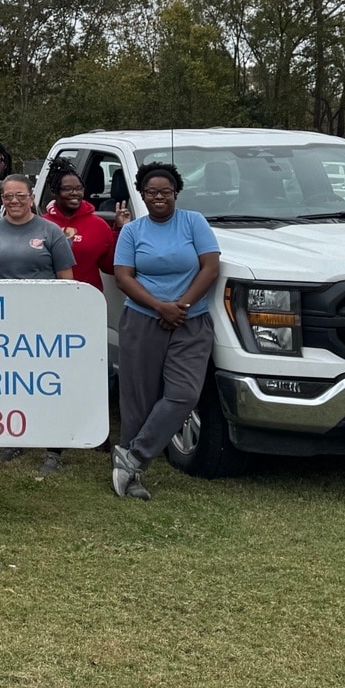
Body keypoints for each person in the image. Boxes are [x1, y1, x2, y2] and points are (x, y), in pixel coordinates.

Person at [110, 161, 221, 502]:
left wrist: (181, 306)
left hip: (191, 321)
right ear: (142, 195)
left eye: (166, 192)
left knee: (184, 394)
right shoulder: (133, 231)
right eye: (152, 192)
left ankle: (133, 456)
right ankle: (134, 477)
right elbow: (123, 275)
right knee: (138, 400)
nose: (159, 198)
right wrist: (161, 307)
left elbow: (210, 266)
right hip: (143, 320)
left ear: (176, 193)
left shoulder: (193, 222)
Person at [0, 173, 77, 472]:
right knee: (11, 383)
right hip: (2, 324)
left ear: (32, 198)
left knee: (48, 382)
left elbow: (67, 281)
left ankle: (54, 449)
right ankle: (15, 438)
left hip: (44, 323)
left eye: (20, 196)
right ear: (1, 200)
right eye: (8, 196)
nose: (14, 201)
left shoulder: (51, 232)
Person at [40, 158, 118, 292]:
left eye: (79, 189)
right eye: (67, 189)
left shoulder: (99, 225)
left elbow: (109, 267)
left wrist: (119, 229)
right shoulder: (42, 224)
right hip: (47, 297)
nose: (75, 193)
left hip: (88, 298)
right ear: (55, 192)